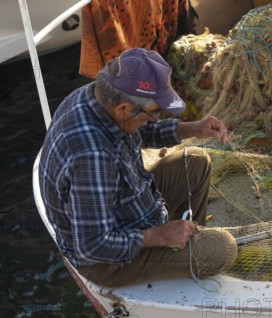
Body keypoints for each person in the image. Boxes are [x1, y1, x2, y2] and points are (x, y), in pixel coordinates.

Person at [39, 47, 238, 288]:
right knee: (223, 249)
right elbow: (92, 247)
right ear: (123, 109)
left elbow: (141, 128)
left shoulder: (96, 97)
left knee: (196, 161)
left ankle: (183, 244)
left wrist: (192, 129)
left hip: (126, 207)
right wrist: (160, 236)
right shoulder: (92, 156)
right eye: (154, 112)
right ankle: (183, 253)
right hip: (106, 261)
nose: (155, 118)